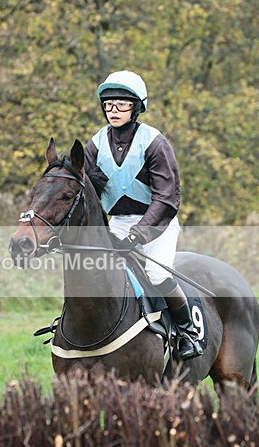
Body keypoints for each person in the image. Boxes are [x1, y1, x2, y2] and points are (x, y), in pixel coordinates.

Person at [84, 69, 203, 360]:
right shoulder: (95, 144)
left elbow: (167, 197)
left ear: (136, 107)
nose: (114, 110)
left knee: (156, 273)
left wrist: (139, 233)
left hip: (157, 224)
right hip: (119, 223)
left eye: (122, 104)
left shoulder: (154, 142)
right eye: (109, 104)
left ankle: (188, 332)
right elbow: (86, 193)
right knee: (91, 271)